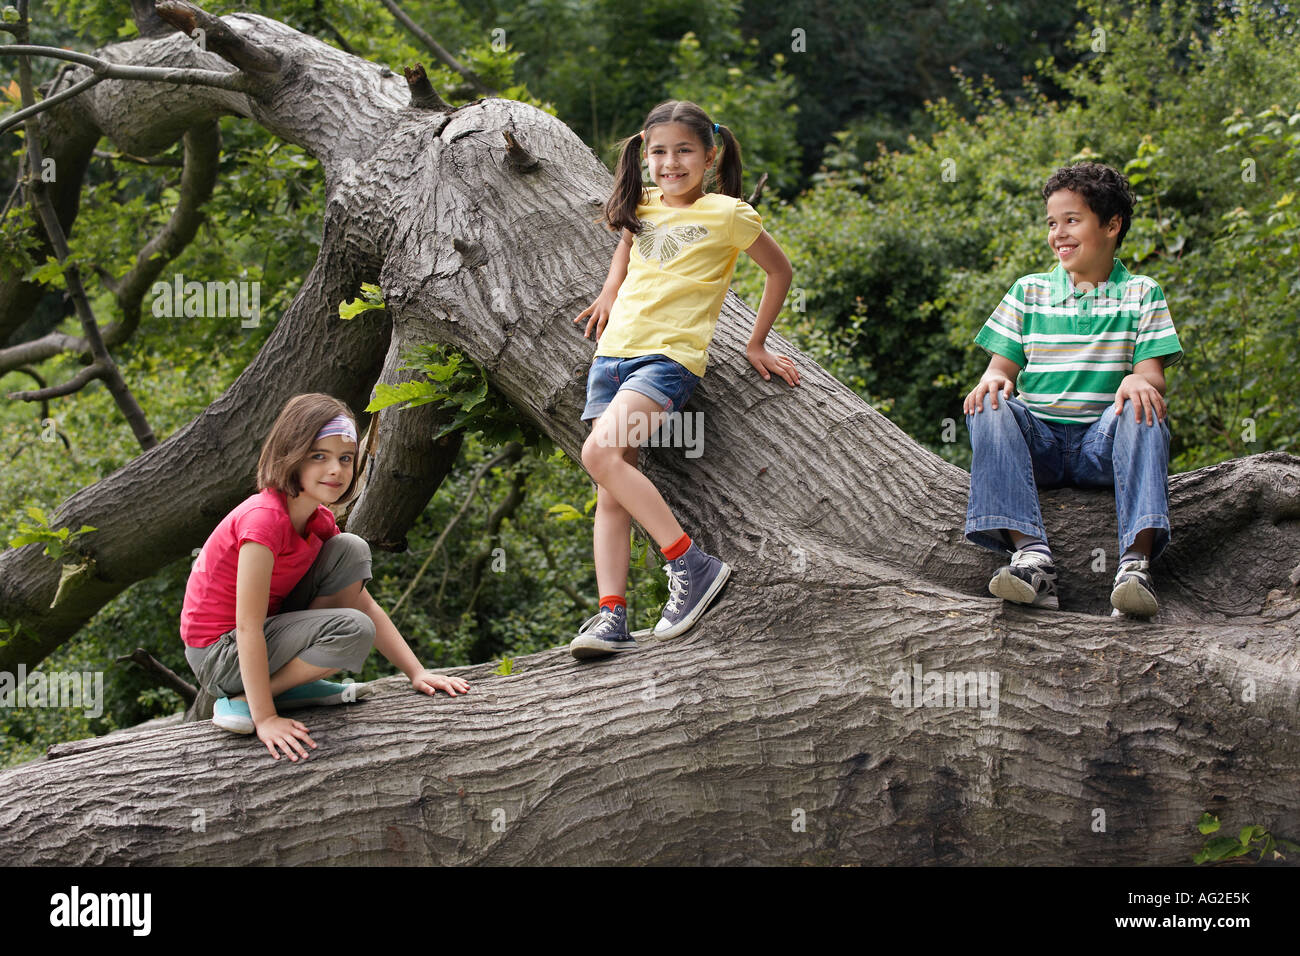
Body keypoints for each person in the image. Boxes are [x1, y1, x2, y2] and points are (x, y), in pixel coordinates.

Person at [568, 99, 799, 660]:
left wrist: (756, 342)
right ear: (646, 156)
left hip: (668, 358)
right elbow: (626, 244)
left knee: (598, 455)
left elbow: (779, 270)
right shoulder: (641, 205)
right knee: (611, 486)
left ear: (709, 155)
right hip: (613, 356)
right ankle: (611, 615)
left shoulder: (728, 214)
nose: (671, 163)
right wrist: (607, 291)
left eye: (684, 151)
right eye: (660, 152)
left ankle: (690, 563)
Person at [180, 393, 469, 760]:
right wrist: (266, 717)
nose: (336, 469)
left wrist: (417, 672)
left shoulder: (319, 521)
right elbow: (248, 626)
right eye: (319, 456)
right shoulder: (264, 521)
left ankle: (286, 686)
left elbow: (361, 598)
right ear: (290, 454)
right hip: (220, 652)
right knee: (353, 630)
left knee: (351, 548)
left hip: (262, 636)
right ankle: (244, 700)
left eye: (345, 459)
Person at [963, 162, 1182, 617]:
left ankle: (1135, 565)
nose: (1058, 233)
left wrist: (1137, 377)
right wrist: (995, 381)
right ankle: (1031, 559)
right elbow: (998, 370)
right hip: (1038, 441)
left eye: (1071, 220)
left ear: (1112, 225)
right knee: (988, 403)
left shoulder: (1142, 293)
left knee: (1146, 406)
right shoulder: (1030, 291)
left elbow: (1152, 375)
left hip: (1102, 445)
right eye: (1051, 223)